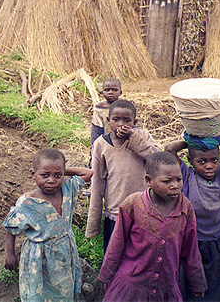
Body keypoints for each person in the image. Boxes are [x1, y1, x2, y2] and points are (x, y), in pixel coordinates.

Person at [166, 92, 220, 301]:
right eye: (201, 161)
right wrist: (194, 141)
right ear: (191, 162)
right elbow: (169, 149)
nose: (209, 165)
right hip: (196, 243)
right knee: (195, 285)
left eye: (214, 159)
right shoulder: (185, 176)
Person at [98, 151, 208, 300]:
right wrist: (106, 276)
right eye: (167, 181)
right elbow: (116, 244)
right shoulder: (133, 205)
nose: (175, 186)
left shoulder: (185, 209)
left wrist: (197, 282)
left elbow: (191, 251)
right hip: (131, 285)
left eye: (178, 179)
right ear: (148, 180)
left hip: (166, 287)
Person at [3, 148, 93, 302]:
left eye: (57, 175)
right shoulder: (27, 203)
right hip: (39, 257)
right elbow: (10, 228)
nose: (51, 180)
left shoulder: (67, 188)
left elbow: (88, 173)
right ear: (33, 174)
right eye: (45, 175)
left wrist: (62, 170)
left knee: (63, 289)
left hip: (64, 251)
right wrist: (10, 253)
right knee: (39, 291)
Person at [86, 99, 161, 252]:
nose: (121, 124)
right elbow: (97, 184)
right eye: (116, 119)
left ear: (135, 122)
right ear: (108, 121)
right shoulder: (101, 144)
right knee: (115, 256)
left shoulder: (142, 136)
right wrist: (93, 225)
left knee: (141, 256)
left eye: (127, 120)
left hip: (143, 210)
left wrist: (134, 139)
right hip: (115, 211)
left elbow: (158, 159)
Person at [91, 78, 122, 145]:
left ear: (120, 92)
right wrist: (94, 147)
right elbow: (96, 130)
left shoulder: (124, 107)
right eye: (107, 90)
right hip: (105, 144)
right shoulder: (99, 109)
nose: (110, 92)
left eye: (114, 90)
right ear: (102, 92)